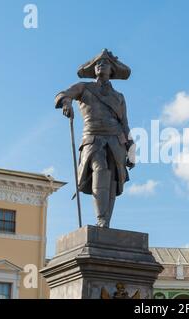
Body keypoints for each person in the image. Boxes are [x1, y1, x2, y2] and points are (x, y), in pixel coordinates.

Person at [55, 49, 135, 228]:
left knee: (114, 179)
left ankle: (106, 223)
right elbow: (63, 94)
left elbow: (125, 124)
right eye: (97, 63)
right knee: (100, 169)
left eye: (105, 63)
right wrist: (66, 102)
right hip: (93, 138)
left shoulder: (119, 97)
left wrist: (132, 148)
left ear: (112, 70)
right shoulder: (84, 87)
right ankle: (101, 219)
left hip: (116, 140)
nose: (100, 65)